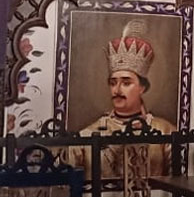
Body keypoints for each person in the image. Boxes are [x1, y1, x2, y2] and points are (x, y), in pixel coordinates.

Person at [74, 19, 175, 180]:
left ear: (142, 87)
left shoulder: (166, 131)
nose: (117, 90)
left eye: (126, 83)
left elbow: (178, 182)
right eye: (113, 83)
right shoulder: (87, 134)